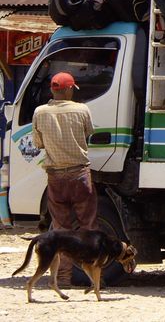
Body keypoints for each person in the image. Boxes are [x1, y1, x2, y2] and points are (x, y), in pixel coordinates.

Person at [32, 72, 96, 286]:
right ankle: (92, 277)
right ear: (69, 90)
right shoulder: (82, 109)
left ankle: (63, 278)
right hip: (80, 175)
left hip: (56, 177)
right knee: (87, 225)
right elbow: (89, 133)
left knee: (60, 230)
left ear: (52, 90)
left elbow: (38, 143)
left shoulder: (40, 112)